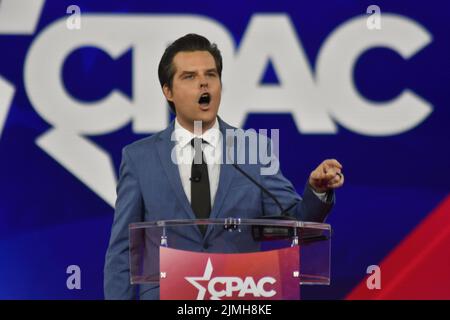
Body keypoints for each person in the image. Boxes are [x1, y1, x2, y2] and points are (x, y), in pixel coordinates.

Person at [104, 33, 344, 300]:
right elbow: (123, 249)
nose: (203, 82)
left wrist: (316, 190)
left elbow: (297, 223)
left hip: (239, 298)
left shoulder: (253, 150)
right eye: (189, 76)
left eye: (211, 74)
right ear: (167, 91)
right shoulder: (140, 158)